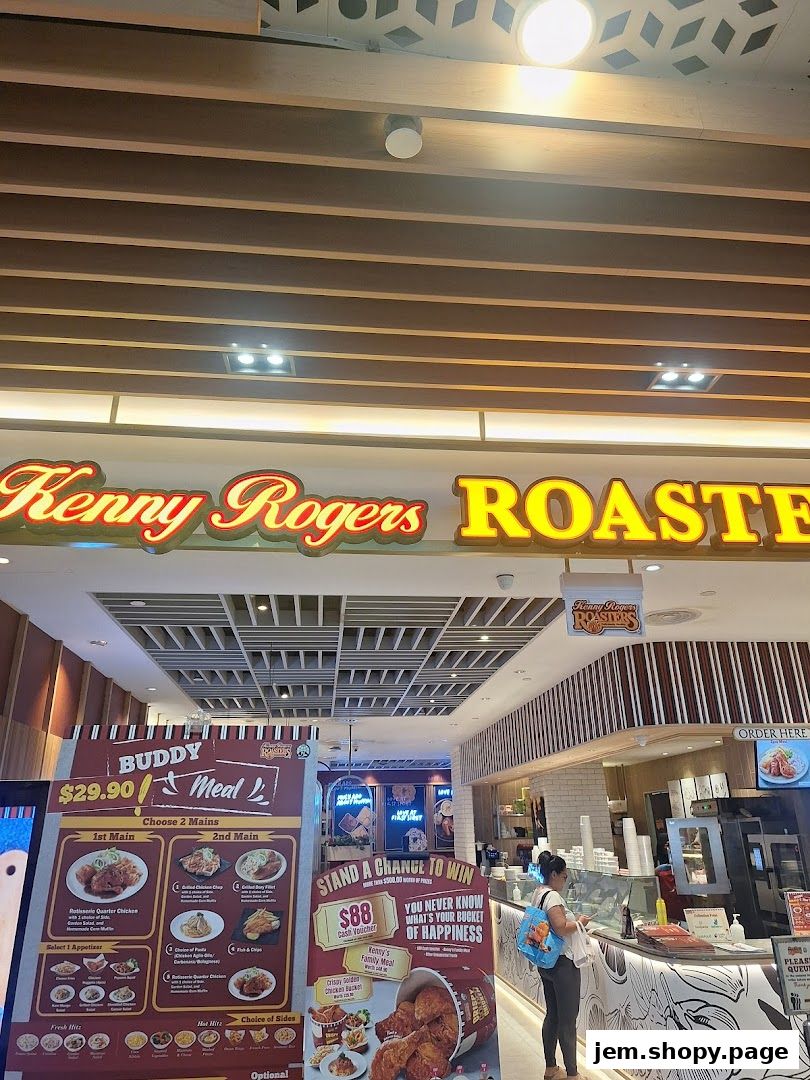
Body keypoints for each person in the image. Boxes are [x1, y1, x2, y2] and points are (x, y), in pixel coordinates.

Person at [530, 851, 590, 1080]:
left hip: (546, 963)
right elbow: (561, 927)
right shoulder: (553, 897)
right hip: (562, 963)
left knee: (553, 1015)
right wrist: (580, 923)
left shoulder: (538, 893)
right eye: (564, 876)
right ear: (554, 874)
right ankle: (573, 1075)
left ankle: (551, 1067)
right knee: (567, 1020)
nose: (565, 881)